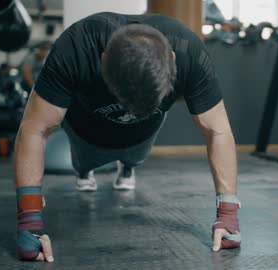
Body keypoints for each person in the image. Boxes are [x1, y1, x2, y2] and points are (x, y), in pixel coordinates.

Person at [14, 12, 241, 262]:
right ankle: (84, 172)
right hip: (85, 128)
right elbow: (34, 129)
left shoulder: (190, 53)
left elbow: (217, 129)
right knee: (84, 162)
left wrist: (228, 214)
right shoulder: (75, 47)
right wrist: (29, 220)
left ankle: (128, 167)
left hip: (144, 128)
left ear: (173, 61)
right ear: (103, 60)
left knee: (136, 155)